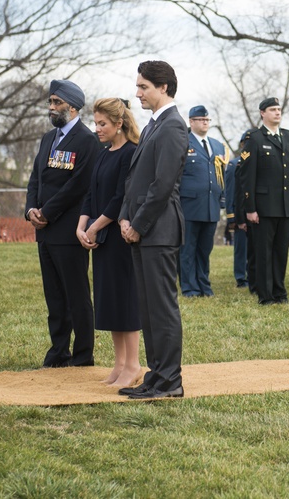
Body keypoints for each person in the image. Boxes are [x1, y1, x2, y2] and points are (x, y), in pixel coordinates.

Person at [118, 61, 188, 400]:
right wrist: (123, 218)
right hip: (141, 229)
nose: (138, 92)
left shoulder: (173, 126)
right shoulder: (153, 126)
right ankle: (156, 375)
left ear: (164, 87)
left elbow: (162, 186)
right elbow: (134, 181)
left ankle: (170, 381)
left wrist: (138, 225)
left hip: (158, 231)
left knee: (162, 308)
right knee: (147, 308)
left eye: (143, 86)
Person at [25, 80, 98, 368]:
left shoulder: (86, 141)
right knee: (54, 297)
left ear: (73, 106)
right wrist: (31, 209)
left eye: (57, 102)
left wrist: (47, 212)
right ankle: (58, 351)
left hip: (68, 231)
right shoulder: (48, 138)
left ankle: (82, 355)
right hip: (44, 232)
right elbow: (35, 179)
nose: (51, 107)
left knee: (76, 296)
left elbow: (78, 186)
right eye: (50, 102)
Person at [77, 98, 142, 387]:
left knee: (126, 301)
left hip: (120, 239)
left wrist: (95, 227)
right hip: (101, 238)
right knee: (111, 302)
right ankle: (119, 364)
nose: (97, 128)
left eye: (102, 124)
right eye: (96, 123)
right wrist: (82, 225)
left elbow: (120, 198)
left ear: (119, 124)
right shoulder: (104, 154)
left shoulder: (130, 153)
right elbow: (91, 194)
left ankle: (133, 365)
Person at [236, 97, 289, 305]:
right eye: (273, 109)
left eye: (279, 109)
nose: (277, 113)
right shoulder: (255, 139)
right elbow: (247, 177)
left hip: (285, 206)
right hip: (263, 207)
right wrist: (250, 208)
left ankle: (279, 291)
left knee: (281, 252)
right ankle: (265, 295)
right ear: (262, 113)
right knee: (264, 253)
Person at [178, 105, 226, 297]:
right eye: (201, 120)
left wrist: (222, 198)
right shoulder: (183, 142)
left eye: (207, 120)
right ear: (191, 122)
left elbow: (220, 174)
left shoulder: (217, 145)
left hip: (210, 205)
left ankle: (204, 285)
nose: (205, 123)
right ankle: (190, 287)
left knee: (205, 249)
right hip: (189, 205)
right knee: (188, 249)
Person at [224, 136, 250, 289]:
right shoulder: (234, 164)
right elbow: (230, 191)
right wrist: (231, 215)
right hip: (240, 212)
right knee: (241, 247)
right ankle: (241, 277)